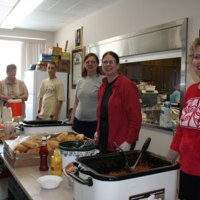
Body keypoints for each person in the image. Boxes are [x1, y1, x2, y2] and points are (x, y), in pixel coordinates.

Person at [167, 37, 200, 200]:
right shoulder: (191, 91)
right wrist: (167, 161)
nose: (198, 61)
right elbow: (181, 130)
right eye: (196, 56)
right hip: (186, 168)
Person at [95, 51, 142, 153]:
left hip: (120, 143)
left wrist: (129, 142)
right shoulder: (103, 85)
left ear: (117, 65)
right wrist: (98, 131)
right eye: (105, 62)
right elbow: (102, 113)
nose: (108, 65)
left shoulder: (127, 86)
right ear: (102, 65)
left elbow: (136, 118)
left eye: (111, 62)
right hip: (104, 138)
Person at [70, 53, 103, 138]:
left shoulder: (103, 80)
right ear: (84, 64)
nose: (90, 64)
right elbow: (76, 103)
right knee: (77, 147)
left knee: (91, 148)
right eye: (87, 62)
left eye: (93, 62)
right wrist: (72, 120)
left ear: (97, 64)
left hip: (94, 123)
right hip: (78, 121)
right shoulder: (80, 80)